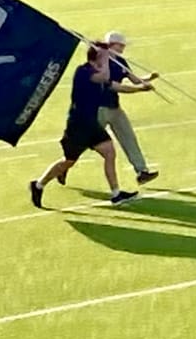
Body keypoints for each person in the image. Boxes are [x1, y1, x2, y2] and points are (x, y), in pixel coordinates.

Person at [28, 45, 136, 208]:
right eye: (105, 56)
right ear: (97, 57)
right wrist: (105, 59)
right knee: (68, 161)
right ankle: (38, 185)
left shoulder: (98, 73)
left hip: (91, 123)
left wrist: (140, 88)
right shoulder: (84, 72)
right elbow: (104, 77)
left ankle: (116, 194)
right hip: (78, 125)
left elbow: (115, 86)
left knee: (109, 152)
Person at [99, 30, 160, 185]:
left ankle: (142, 171)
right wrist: (140, 90)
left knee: (128, 137)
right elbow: (115, 86)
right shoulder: (101, 62)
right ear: (112, 45)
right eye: (121, 45)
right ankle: (65, 164)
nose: (123, 48)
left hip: (114, 107)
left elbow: (134, 80)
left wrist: (149, 78)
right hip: (99, 108)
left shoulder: (121, 61)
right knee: (86, 141)